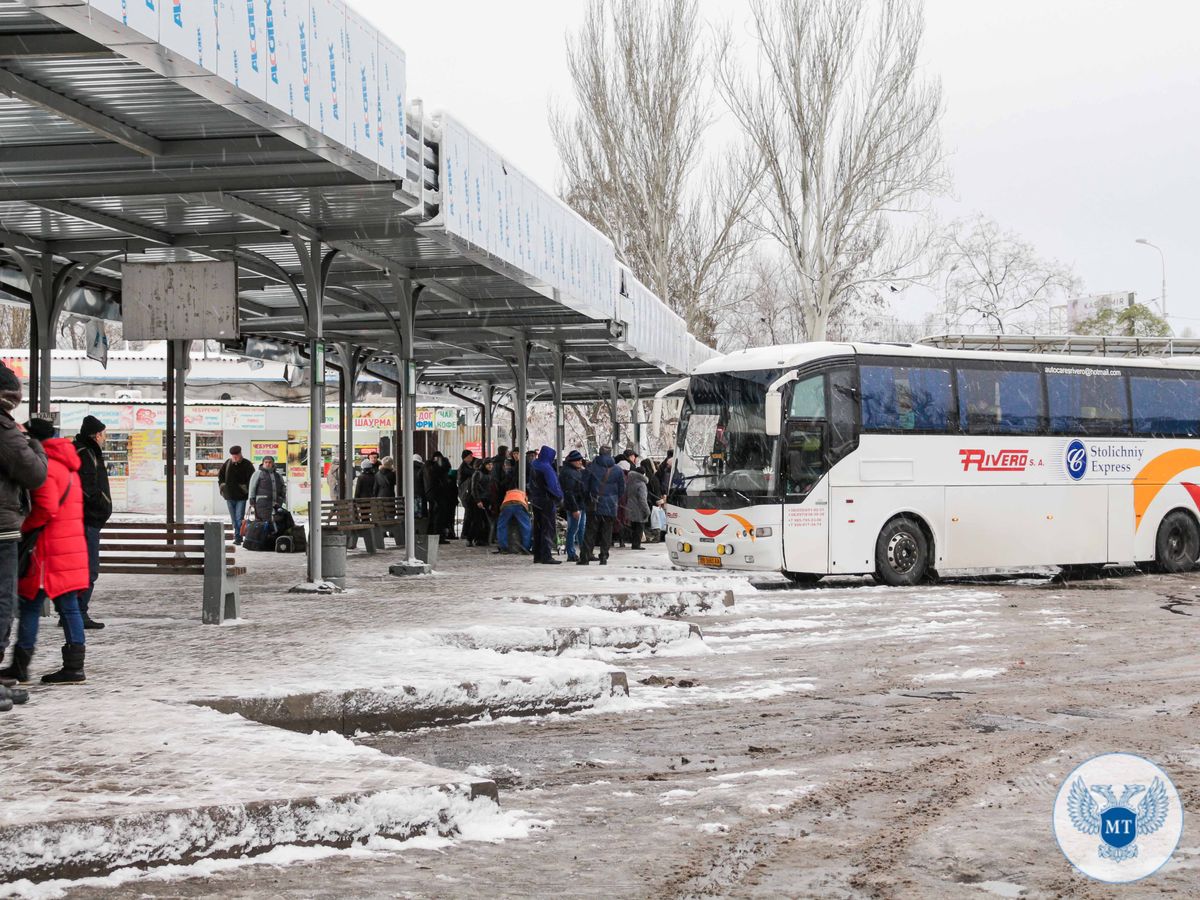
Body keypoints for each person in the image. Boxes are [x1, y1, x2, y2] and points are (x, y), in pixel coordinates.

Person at [4, 419, 90, 685]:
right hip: (69, 546)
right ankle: (74, 666)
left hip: (48, 549)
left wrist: (22, 528)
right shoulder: (69, 465)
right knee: (69, 607)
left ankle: (21, 665)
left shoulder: (47, 467)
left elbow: (46, 508)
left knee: (30, 605)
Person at [0, 362, 48, 698]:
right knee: (3, 600)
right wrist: (35, 445)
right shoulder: (4, 429)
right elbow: (34, 474)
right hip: (2, 527)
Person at [73, 414, 111, 630]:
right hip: (88, 520)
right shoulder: (86, 454)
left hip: (84, 519)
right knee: (89, 569)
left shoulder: (83, 451)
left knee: (82, 568)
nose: (104, 438)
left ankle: (73, 612)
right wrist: (102, 506)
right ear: (96, 435)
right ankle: (79, 613)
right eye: (103, 434)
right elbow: (89, 488)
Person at [579, 446, 624, 566]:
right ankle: (603, 556)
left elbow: (584, 487)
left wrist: (588, 498)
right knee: (607, 532)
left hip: (594, 504)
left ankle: (585, 557)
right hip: (610, 505)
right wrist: (613, 499)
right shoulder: (617, 470)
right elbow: (621, 489)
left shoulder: (591, 467)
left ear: (599, 453)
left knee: (590, 531)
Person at [528, 446, 564, 564]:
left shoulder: (534, 464)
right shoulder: (546, 468)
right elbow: (553, 486)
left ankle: (537, 555)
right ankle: (546, 555)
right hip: (546, 501)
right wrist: (559, 497)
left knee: (538, 528)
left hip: (536, 500)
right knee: (547, 528)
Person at [217, 445, 254, 546]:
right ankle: (238, 535)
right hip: (229, 496)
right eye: (233, 456)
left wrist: (245, 488)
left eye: (236, 455)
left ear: (240, 454)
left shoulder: (247, 464)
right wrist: (222, 486)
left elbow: (251, 479)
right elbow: (220, 476)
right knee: (234, 519)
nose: (235, 457)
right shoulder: (228, 463)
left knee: (239, 518)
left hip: (241, 496)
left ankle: (238, 537)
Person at [560, 450, 588, 562]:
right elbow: (569, 493)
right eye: (578, 460)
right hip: (575, 506)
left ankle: (583, 551)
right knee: (574, 530)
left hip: (579, 505)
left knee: (580, 529)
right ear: (572, 461)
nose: (580, 462)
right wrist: (575, 509)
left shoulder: (573, 471)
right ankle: (572, 553)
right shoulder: (569, 473)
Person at [495, 487, 532, 555]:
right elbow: (526, 505)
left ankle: (504, 548)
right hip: (519, 505)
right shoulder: (523, 493)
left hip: (506, 505)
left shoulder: (508, 492)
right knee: (526, 527)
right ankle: (526, 547)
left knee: (501, 526)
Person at [247, 456, 286, 522]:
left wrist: (282, 497)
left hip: (276, 503)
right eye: (266, 462)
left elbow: (283, 487)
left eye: (270, 462)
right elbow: (252, 487)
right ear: (263, 463)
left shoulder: (278, 475)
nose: (268, 464)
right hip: (262, 503)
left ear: (273, 463)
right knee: (264, 522)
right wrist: (251, 499)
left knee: (276, 522)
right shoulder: (258, 473)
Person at [469, 458, 498, 547]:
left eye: (491, 465)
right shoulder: (478, 473)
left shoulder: (490, 474)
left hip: (486, 500)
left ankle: (481, 540)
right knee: (477, 521)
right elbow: (474, 488)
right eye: (488, 464)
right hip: (478, 500)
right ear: (484, 465)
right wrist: (478, 501)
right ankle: (470, 539)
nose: (490, 466)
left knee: (485, 521)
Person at [624, 459, 651, 551]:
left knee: (634, 526)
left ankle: (634, 543)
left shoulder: (630, 482)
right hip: (639, 509)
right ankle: (636, 544)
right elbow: (642, 499)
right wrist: (647, 510)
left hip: (630, 506)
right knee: (639, 527)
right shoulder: (642, 484)